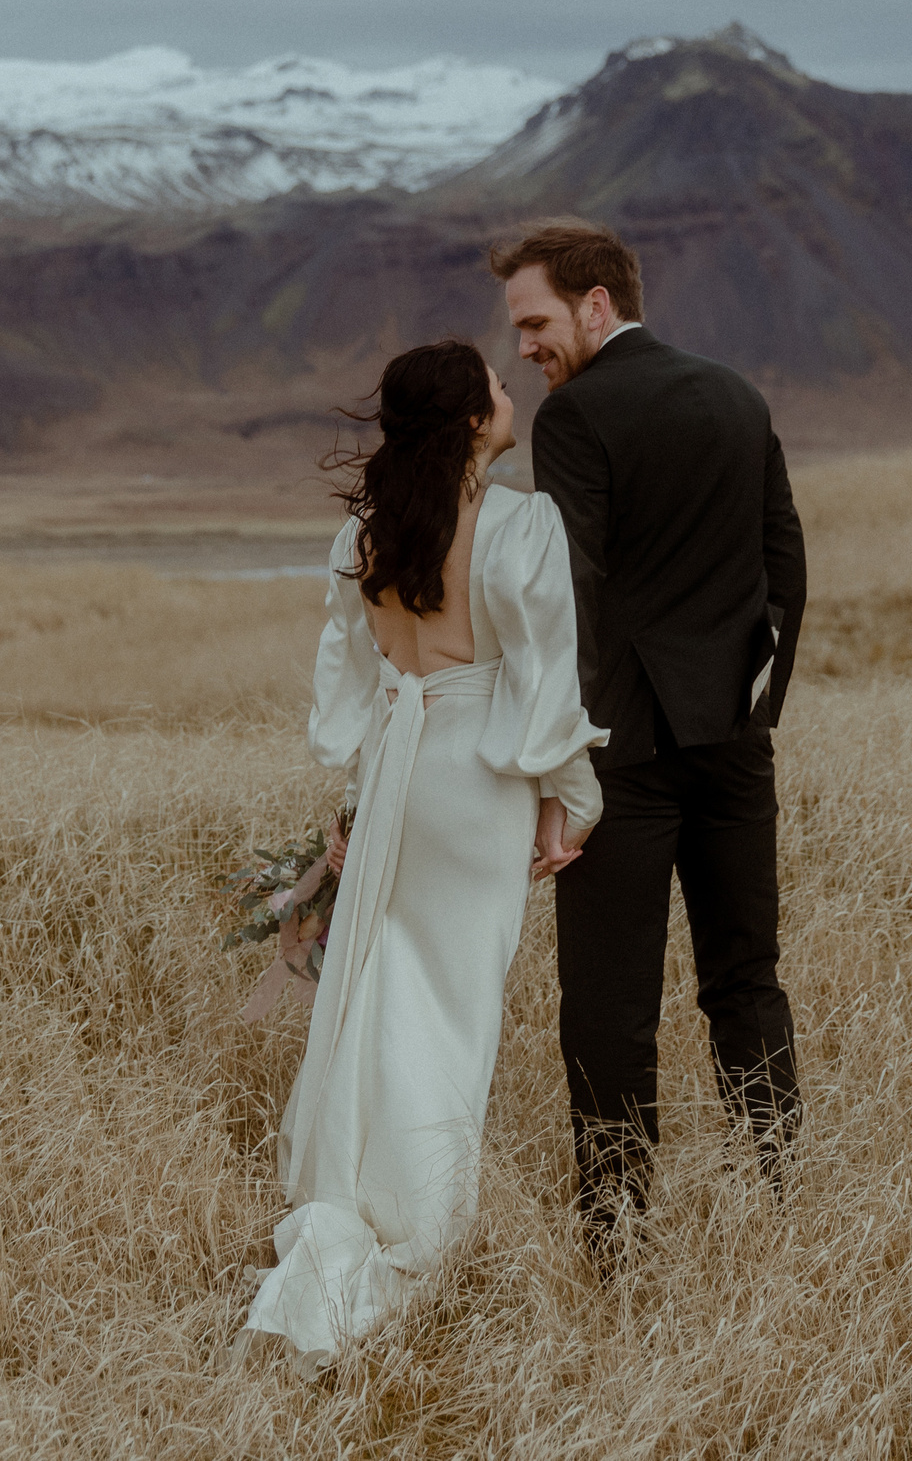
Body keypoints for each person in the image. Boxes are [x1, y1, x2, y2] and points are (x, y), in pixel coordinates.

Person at [240, 339, 607, 1371]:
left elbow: (356, 680)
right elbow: (544, 681)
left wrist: (357, 800)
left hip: (401, 770)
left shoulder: (366, 531)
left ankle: (353, 1194)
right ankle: (420, 1216)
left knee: (387, 983)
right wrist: (573, 802)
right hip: (478, 783)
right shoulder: (515, 522)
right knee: (455, 1003)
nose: (508, 391)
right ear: (468, 420)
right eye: (495, 383)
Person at [493, 217, 808, 1260]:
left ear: (596, 304)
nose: (523, 348)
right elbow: (784, 569)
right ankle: (781, 1192)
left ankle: (616, 1235)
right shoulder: (737, 394)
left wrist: (557, 766)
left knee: (612, 1007)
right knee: (745, 980)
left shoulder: (575, 418)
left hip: (620, 758)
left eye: (535, 323)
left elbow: (564, 596)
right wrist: (752, 711)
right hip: (733, 745)